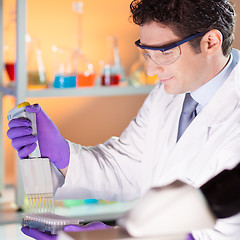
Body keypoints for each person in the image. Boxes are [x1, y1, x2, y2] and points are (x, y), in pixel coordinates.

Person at [7, 0, 240, 239]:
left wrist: (118, 237)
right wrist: (63, 155)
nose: (150, 70)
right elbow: (127, 166)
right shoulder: (169, 93)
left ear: (211, 42)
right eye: (147, 53)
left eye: (165, 53)